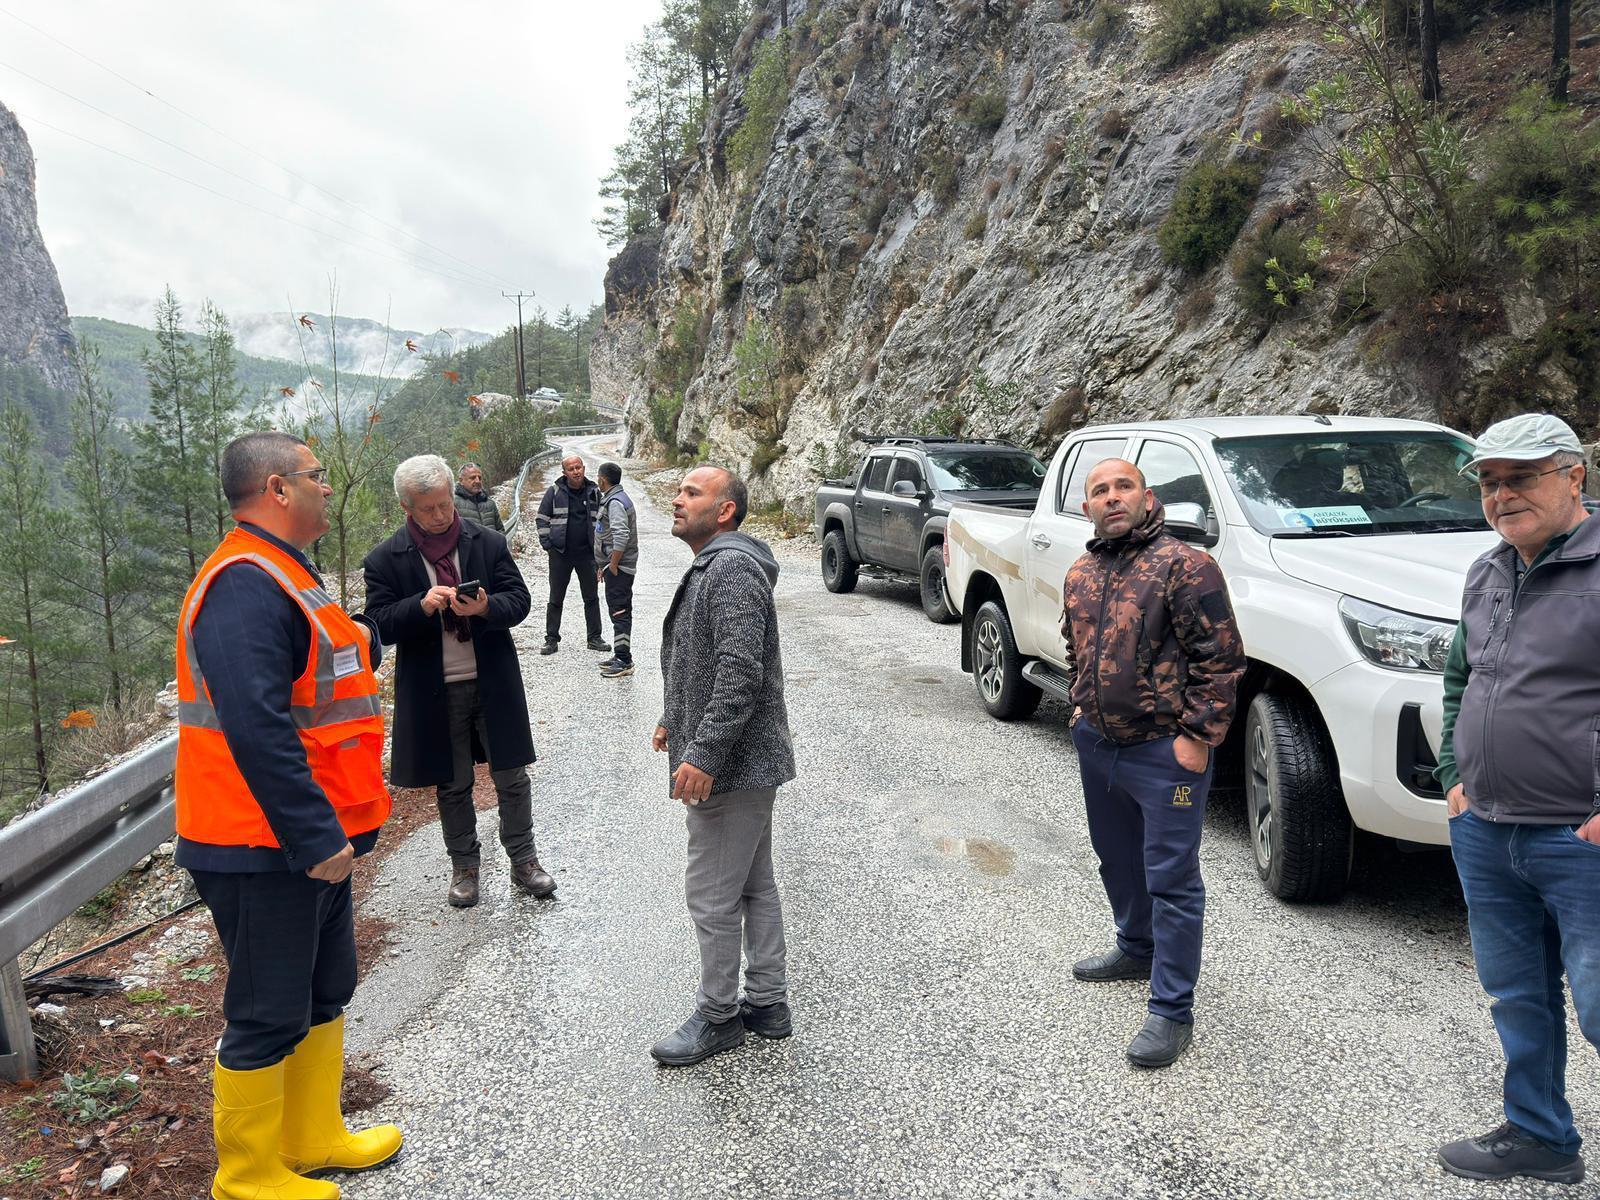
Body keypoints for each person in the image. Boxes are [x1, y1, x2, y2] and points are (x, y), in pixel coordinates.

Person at [175, 431, 401, 1199]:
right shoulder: (243, 583)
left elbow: (320, 673)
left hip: (306, 837)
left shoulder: (285, 571)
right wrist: (312, 834)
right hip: (261, 842)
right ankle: (246, 1177)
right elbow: (256, 725)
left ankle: (311, 1138)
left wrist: (368, 637)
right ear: (277, 488)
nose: (327, 486)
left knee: (324, 988)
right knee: (267, 1010)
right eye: (316, 475)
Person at [1435, 413, 1598, 1186]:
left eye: (1522, 477)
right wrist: (1453, 776)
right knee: (1517, 996)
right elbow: (1459, 681)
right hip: (1487, 829)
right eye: (1490, 482)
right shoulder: (1487, 571)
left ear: (1574, 477)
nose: (1502, 495)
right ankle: (1540, 1135)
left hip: (1580, 837)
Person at [1062, 458, 1244, 1069]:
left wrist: (1197, 737)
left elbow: (1222, 658)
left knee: (1171, 878)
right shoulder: (1082, 571)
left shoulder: (1186, 566)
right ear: (1087, 507)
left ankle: (1171, 1010)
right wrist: (1079, 710)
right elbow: (1077, 648)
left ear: (1147, 497)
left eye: (1124, 487)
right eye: (1100, 491)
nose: (1112, 497)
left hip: (1164, 753)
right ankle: (1136, 947)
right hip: (1099, 746)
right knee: (1116, 858)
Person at [649, 466, 796, 1067]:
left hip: (734, 765)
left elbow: (740, 672)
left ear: (725, 509)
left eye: (692, 493)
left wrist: (704, 752)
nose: (677, 500)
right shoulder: (718, 564)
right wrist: (673, 716)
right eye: (679, 491)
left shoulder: (730, 568)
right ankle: (767, 1002)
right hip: (745, 761)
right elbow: (702, 659)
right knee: (753, 885)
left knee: (711, 895)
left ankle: (718, 1016)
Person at [363, 454, 556, 909]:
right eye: (427, 508)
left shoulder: (486, 542)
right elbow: (378, 624)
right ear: (407, 508)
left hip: (493, 682)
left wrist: (486, 607)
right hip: (435, 691)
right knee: (452, 784)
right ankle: (465, 867)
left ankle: (524, 860)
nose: (439, 515)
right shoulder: (385, 559)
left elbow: (520, 601)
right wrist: (420, 606)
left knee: (512, 776)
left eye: (445, 504)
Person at [535, 454, 607, 656]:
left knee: (591, 597)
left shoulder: (594, 491)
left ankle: (594, 638)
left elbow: (603, 521)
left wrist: (601, 550)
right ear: (564, 472)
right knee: (556, 598)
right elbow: (541, 518)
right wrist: (547, 545)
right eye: (571, 469)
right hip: (560, 554)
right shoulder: (555, 491)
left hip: (587, 555)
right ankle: (551, 639)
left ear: (583, 468)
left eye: (578, 467)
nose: (576, 472)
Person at [594, 461, 639, 679]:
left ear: (603, 479)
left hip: (619, 568)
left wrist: (612, 564)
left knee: (620, 612)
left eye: (598, 477)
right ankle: (620, 654)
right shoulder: (615, 498)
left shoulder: (615, 502)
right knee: (617, 611)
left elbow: (621, 535)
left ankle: (624, 660)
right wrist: (603, 565)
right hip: (614, 567)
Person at [453, 462, 505, 532]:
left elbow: (500, 530)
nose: (477, 481)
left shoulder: (490, 504)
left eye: (479, 478)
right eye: (472, 478)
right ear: (461, 480)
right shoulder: (453, 504)